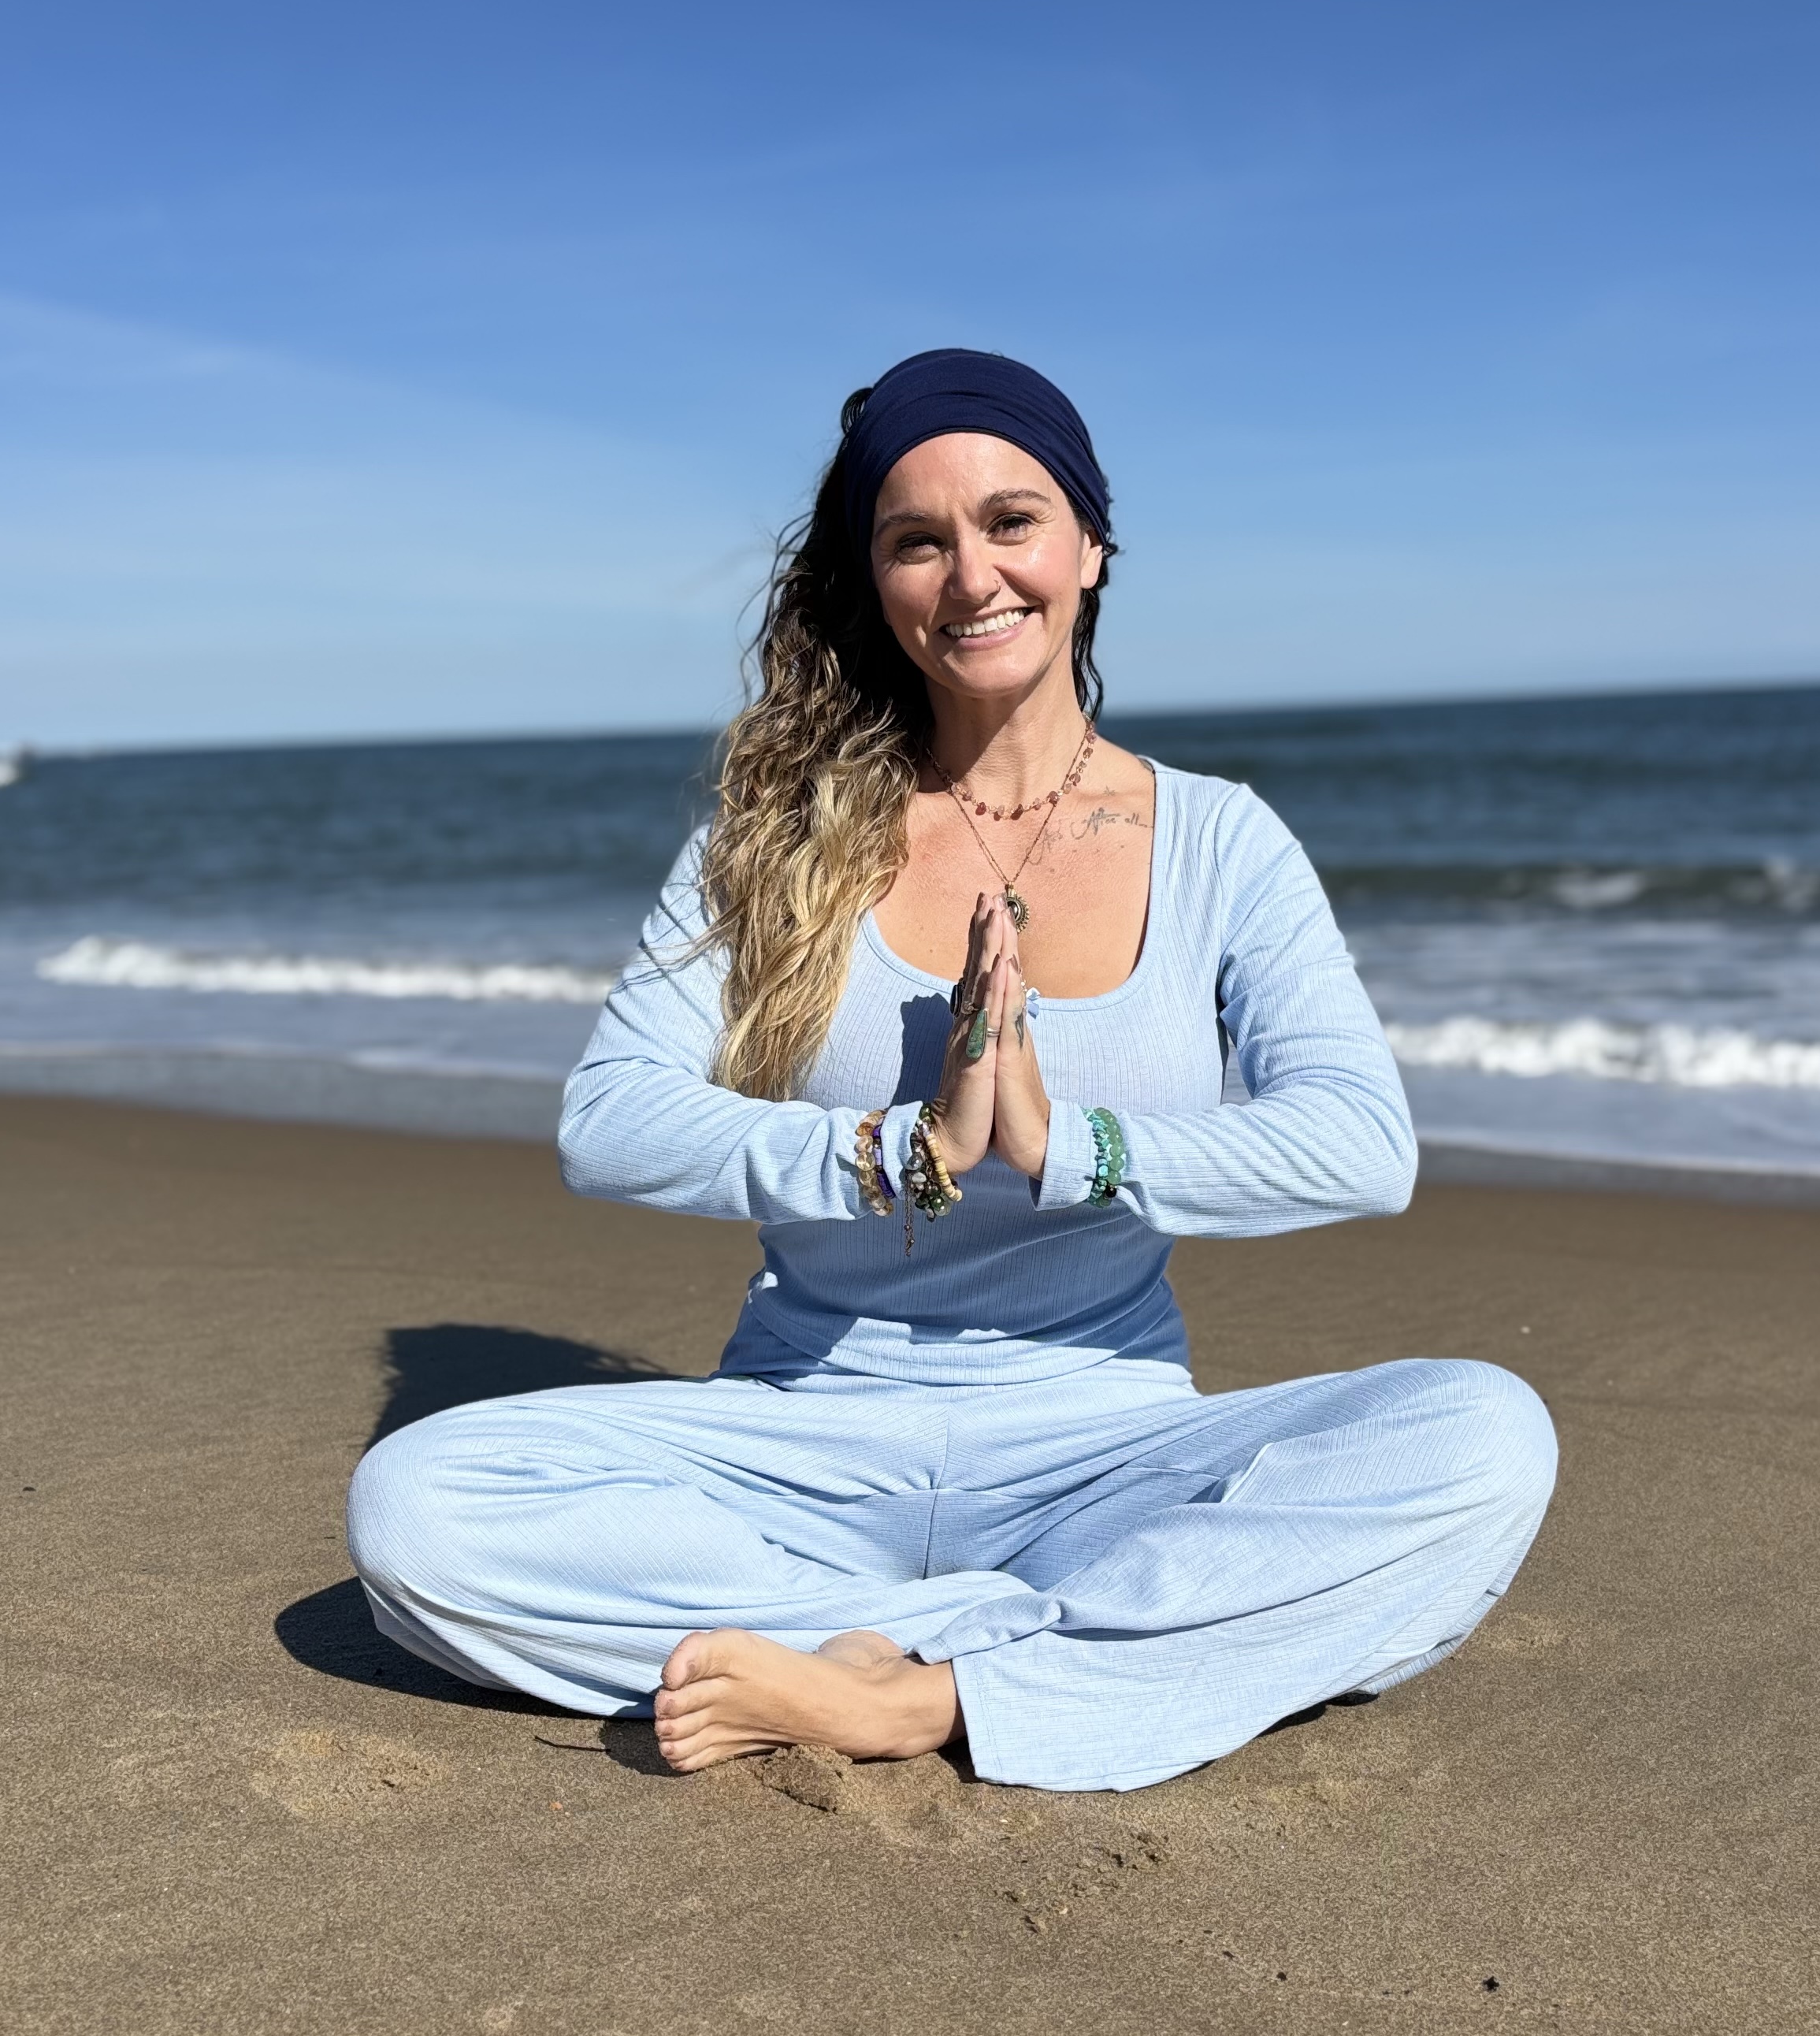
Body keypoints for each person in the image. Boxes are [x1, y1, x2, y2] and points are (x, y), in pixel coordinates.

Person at [347, 351, 1556, 1793]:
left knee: (1483, 1434)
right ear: (876, 584)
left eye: (1012, 522)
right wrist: (887, 1155)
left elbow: (1363, 1144)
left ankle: (905, 1690)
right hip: (805, 1443)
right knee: (414, 1508)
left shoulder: (1222, 840)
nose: (972, 574)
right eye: (918, 541)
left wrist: (1076, 1148)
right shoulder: (772, 839)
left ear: (1091, 546)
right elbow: (609, 1120)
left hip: (1102, 1449)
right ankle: (1031, 1657)